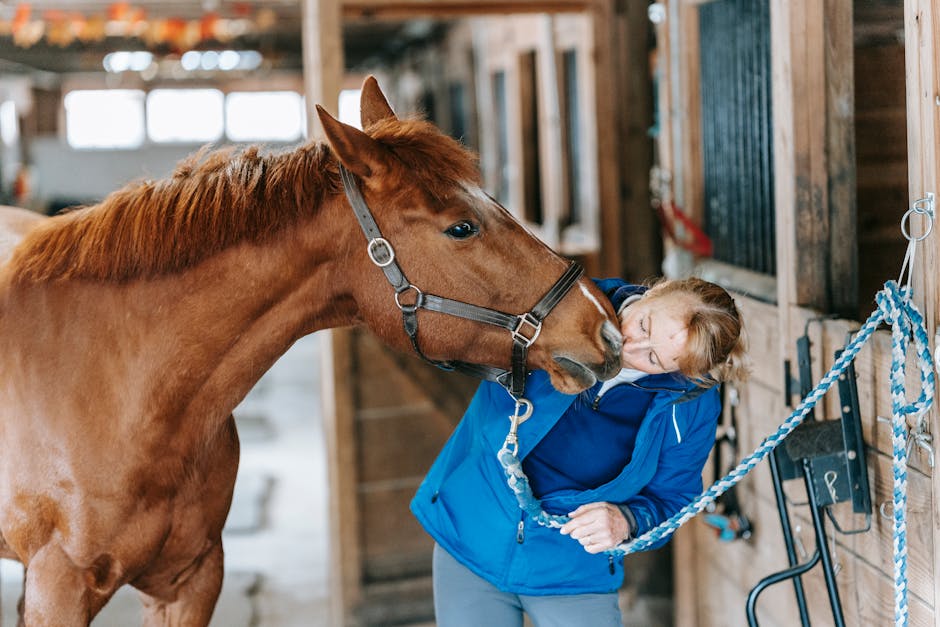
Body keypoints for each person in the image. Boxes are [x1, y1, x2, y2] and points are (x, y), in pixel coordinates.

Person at [410, 276, 749, 627]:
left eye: (654, 358)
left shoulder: (690, 404)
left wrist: (627, 522)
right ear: (653, 291)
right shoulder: (559, 300)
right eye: (644, 325)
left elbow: (673, 498)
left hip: (573, 569)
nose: (630, 349)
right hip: (473, 532)